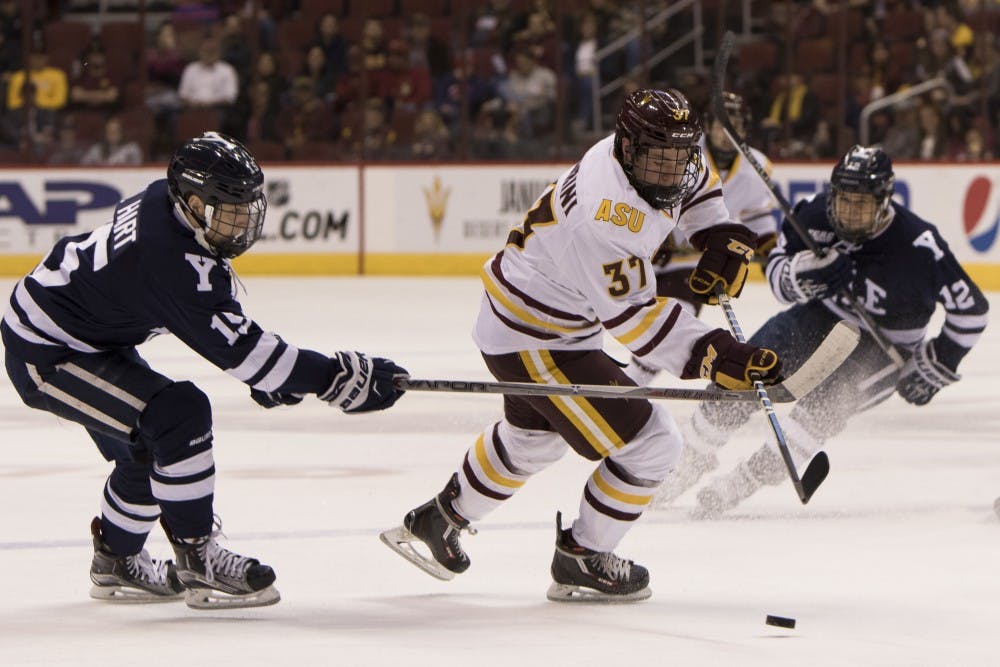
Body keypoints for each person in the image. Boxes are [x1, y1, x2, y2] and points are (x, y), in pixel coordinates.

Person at [380, 88, 783, 602]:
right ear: (630, 147)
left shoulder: (658, 153)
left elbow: (698, 183)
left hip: (532, 324)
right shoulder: (606, 212)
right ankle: (583, 557)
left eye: (679, 156)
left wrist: (717, 232)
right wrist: (716, 353)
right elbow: (635, 320)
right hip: (540, 338)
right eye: (660, 160)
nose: (672, 171)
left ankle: (439, 520)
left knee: (534, 439)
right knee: (654, 444)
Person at [1, 132, 408, 608]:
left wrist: (269, 373)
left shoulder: (166, 204)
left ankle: (116, 560)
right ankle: (198, 559)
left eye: (247, 208)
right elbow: (235, 342)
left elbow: (220, 330)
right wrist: (333, 378)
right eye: (230, 210)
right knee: (179, 415)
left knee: (152, 444)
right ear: (194, 202)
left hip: (81, 332)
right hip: (47, 349)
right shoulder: (167, 257)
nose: (242, 223)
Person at [654, 145, 989, 515]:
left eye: (860, 204)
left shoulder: (919, 246)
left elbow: (972, 311)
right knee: (743, 370)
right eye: (843, 201)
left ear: (884, 201)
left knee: (819, 413)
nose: (847, 212)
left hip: (886, 347)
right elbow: (778, 278)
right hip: (820, 315)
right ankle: (686, 464)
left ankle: (742, 482)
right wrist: (802, 274)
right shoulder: (814, 214)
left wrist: (937, 362)